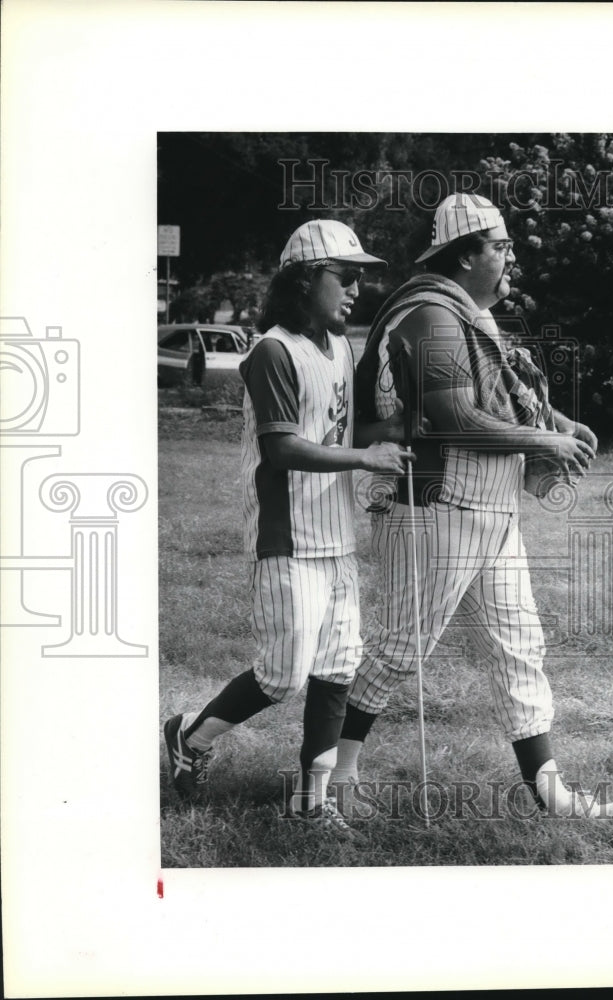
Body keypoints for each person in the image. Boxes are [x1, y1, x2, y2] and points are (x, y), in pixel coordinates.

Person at [330, 193, 613, 818]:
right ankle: (336, 775)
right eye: (501, 246)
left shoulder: (468, 316)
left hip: (489, 508)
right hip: (435, 503)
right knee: (400, 646)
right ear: (465, 257)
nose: (512, 255)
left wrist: (558, 418)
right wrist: (548, 439)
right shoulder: (430, 314)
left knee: (520, 642)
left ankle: (548, 791)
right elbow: (456, 416)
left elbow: (498, 399)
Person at [163, 219, 413, 839]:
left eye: (360, 278)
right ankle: (188, 737)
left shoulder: (341, 347)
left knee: (338, 668)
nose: (356, 289)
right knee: (282, 674)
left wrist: (401, 427)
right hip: (287, 538)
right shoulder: (273, 350)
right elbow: (282, 448)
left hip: (337, 536)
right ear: (305, 281)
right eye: (345, 277)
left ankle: (311, 802)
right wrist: (365, 459)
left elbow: (346, 434)